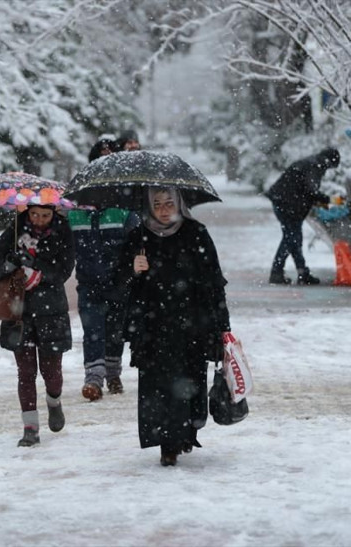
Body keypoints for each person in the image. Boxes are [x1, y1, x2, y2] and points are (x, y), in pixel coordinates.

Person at [118, 187, 231, 467]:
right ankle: (167, 442)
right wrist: (133, 269)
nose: (164, 209)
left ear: (180, 203)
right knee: (157, 384)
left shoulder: (196, 233)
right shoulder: (139, 237)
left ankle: (185, 433)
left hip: (192, 323)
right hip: (152, 324)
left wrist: (222, 325)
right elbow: (118, 283)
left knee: (189, 381)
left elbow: (214, 281)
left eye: (169, 203)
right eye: (157, 204)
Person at [0, 204, 75, 447]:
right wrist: (11, 263)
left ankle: (54, 401)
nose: (38, 220)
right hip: (19, 311)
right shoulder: (14, 230)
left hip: (52, 312)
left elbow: (64, 270)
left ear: (53, 213)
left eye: (45, 215)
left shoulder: (63, 231)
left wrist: (38, 271)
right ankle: (30, 427)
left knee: (52, 372)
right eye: (34, 214)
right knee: (25, 373)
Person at [69, 140, 139, 400]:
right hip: (88, 282)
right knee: (92, 330)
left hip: (119, 282)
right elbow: (64, 245)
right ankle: (94, 378)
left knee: (115, 330)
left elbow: (138, 242)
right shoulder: (74, 213)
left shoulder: (124, 212)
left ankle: (113, 373)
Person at [265, 147, 341, 285]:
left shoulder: (312, 163)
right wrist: (330, 200)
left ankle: (302, 272)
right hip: (287, 205)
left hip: (286, 203)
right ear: (329, 161)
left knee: (294, 239)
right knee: (291, 239)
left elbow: (305, 189)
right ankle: (277, 273)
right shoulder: (314, 166)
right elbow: (310, 191)